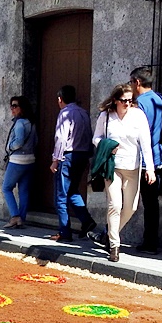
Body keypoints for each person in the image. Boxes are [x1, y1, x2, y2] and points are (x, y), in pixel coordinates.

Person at [91, 84, 156, 261]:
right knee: (115, 205)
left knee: (131, 207)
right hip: (112, 166)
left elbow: (145, 144)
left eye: (130, 100)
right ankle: (114, 246)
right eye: (124, 101)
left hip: (133, 166)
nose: (128, 104)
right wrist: (106, 146)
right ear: (115, 100)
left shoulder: (138, 116)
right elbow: (96, 138)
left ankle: (108, 234)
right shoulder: (106, 116)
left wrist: (150, 168)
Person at [130, 67, 162, 254]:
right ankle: (150, 242)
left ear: (137, 82)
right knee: (151, 203)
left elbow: (135, 132)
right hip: (157, 158)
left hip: (139, 159)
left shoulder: (139, 104)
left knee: (125, 200)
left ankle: (110, 237)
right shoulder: (160, 100)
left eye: (131, 82)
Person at [49, 85, 98, 242]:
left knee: (61, 196)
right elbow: (89, 134)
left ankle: (64, 232)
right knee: (72, 190)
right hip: (82, 155)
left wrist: (55, 160)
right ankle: (86, 220)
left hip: (68, 156)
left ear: (60, 99)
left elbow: (61, 139)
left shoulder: (65, 113)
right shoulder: (83, 112)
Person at [2, 95, 36, 229]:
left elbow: (19, 141)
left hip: (17, 160)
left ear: (22, 108)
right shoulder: (31, 123)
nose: (12, 109)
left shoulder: (20, 123)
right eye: (11, 106)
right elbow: (36, 141)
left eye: (15, 106)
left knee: (6, 188)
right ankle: (21, 218)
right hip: (30, 159)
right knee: (24, 190)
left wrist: (9, 146)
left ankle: (15, 216)